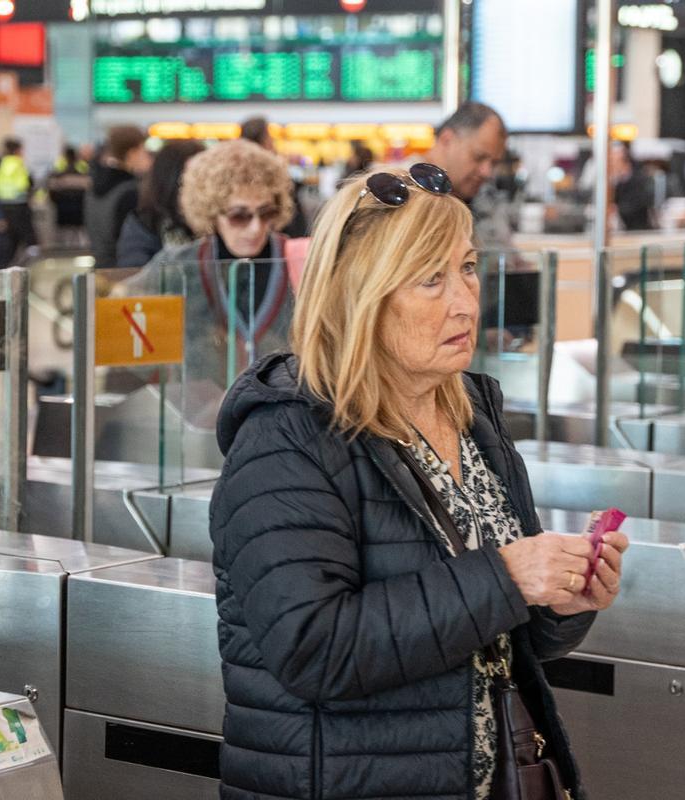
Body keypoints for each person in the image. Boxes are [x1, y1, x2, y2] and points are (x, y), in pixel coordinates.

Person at [209, 164, 629, 799]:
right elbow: (312, 648)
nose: (464, 300)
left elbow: (501, 634)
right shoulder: (287, 439)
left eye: (466, 267)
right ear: (361, 297)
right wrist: (510, 575)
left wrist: (562, 602)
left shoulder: (471, 417)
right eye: (430, 279)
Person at [124, 139, 297, 423]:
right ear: (212, 211)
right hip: (198, 429)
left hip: (284, 427)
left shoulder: (299, 261)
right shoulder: (180, 267)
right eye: (239, 215)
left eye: (266, 213)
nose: (256, 228)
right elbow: (124, 322)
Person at [423, 101, 512, 250]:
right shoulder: (400, 192)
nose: (487, 172)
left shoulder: (479, 199)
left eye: (494, 163)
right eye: (478, 157)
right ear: (447, 140)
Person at [115, 138, 204, 269]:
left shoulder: (219, 222)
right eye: (189, 177)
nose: (199, 184)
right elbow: (135, 275)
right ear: (170, 180)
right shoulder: (145, 224)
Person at [85, 125, 152, 269]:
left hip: (99, 268)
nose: (147, 157)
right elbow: (132, 243)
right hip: (122, 273)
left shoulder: (93, 187)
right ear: (132, 153)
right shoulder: (130, 192)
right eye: (143, 151)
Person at [240, 116, 308, 237]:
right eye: (269, 138)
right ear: (263, 142)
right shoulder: (272, 174)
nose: (273, 142)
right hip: (279, 238)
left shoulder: (238, 173)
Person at [0, 137, 36, 269]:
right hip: (20, 207)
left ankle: (1, 273)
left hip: (4, 208)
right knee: (31, 243)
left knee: (8, 245)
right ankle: (33, 272)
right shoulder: (18, 163)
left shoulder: (0, 164)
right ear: (17, 150)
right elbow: (26, 184)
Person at [47, 144, 91, 248]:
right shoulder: (83, 170)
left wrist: (56, 202)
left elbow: (51, 192)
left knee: (63, 238)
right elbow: (90, 190)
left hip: (62, 210)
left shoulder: (58, 171)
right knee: (80, 237)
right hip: (80, 209)